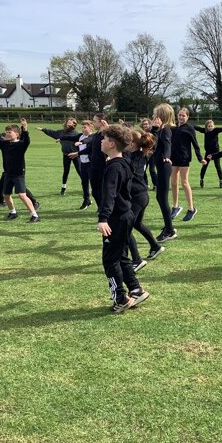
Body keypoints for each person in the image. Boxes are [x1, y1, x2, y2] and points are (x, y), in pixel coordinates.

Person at [97, 124, 149, 313]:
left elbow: (109, 195)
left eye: (104, 139)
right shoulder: (124, 161)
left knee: (110, 260)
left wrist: (103, 218)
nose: (101, 141)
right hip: (126, 215)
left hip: (116, 219)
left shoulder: (114, 167)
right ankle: (135, 289)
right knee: (120, 256)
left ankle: (120, 297)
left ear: (111, 144)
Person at [0, 118, 40, 222]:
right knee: (6, 195)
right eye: (6, 132)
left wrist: (25, 128)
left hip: (18, 174)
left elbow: (26, 140)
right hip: (8, 174)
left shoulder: (21, 145)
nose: (7, 134)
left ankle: (35, 215)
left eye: (9, 132)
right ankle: (13, 213)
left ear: (17, 134)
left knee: (22, 195)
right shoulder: (4, 144)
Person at [125, 130, 164, 271]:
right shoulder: (142, 153)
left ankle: (137, 260)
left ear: (131, 144)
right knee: (137, 224)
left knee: (125, 228)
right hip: (142, 195)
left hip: (137, 196)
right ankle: (155, 246)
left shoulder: (129, 155)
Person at [170, 107, 205, 222]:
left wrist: (200, 158)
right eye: (179, 115)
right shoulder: (173, 127)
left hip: (184, 158)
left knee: (184, 182)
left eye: (183, 115)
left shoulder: (190, 128)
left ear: (187, 117)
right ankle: (175, 206)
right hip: (173, 157)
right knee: (173, 182)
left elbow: (195, 145)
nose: (181, 117)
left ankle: (191, 208)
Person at [36, 117, 83, 197]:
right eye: (68, 122)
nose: (68, 123)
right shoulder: (61, 132)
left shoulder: (76, 133)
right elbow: (51, 132)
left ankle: (85, 187)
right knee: (66, 172)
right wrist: (43, 129)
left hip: (75, 155)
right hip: (66, 155)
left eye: (71, 122)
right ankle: (63, 188)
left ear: (74, 124)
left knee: (80, 171)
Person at [150, 104, 177, 242]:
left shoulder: (165, 129)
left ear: (161, 116)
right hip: (160, 165)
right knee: (160, 197)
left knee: (162, 198)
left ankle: (169, 230)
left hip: (164, 165)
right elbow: (151, 142)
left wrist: (167, 156)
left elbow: (167, 144)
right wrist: (154, 128)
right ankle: (168, 226)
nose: (153, 116)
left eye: (155, 114)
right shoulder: (158, 129)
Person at [194, 120, 222, 188]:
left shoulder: (215, 130)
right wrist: (191, 126)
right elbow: (198, 128)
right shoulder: (205, 131)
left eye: (211, 126)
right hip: (208, 152)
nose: (210, 127)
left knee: (217, 166)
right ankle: (201, 180)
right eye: (209, 126)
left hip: (216, 152)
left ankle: (221, 181)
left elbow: (221, 129)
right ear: (206, 127)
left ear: (214, 126)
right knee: (204, 166)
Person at [140, 118, 157, 188]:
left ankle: (156, 185)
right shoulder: (141, 133)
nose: (145, 125)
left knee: (152, 169)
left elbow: (155, 143)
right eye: (144, 124)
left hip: (152, 154)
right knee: (143, 169)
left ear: (149, 124)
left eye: (146, 124)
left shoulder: (152, 132)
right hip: (144, 154)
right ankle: (145, 184)